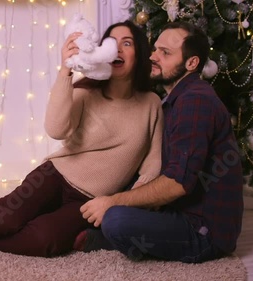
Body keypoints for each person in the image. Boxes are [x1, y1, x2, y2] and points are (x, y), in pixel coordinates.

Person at [0, 20, 163, 257]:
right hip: (56, 175)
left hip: (89, 200)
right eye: (111, 42)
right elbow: (57, 130)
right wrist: (65, 72)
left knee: (45, 240)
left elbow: (151, 166)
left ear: (138, 53)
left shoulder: (151, 104)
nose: (117, 49)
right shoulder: (86, 90)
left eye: (126, 43)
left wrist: (121, 205)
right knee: (7, 217)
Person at [73, 21, 244, 263]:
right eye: (155, 49)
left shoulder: (195, 101)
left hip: (204, 232)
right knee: (111, 184)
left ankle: (114, 240)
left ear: (191, 63)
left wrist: (112, 202)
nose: (153, 57)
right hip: (178, 211)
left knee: (115, 218)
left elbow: (177, 184)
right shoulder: (175, 98)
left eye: (165, 53)